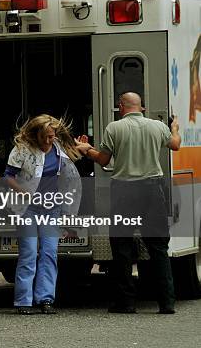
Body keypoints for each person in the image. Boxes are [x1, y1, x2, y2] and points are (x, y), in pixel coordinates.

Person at [75, 92, 180, 314]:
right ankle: (166, 302)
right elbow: (176, 145)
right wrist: (176, 128)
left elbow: (103, 160)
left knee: (122, 247)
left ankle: (125, 302)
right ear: (141, 107)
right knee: (159, 247)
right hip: (153, 190)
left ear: (121, 107)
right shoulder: (157, 126)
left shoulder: (114, 128)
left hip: (124, 191)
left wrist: (86, 150)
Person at [4, 114, 82, 315]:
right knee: (29, 252)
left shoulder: (59, 149)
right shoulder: (21, 150)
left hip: (51, 208)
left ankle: (45, 298)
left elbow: (71, 174)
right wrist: (25, 192)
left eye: (52, 136)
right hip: (27, 208)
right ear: (35, 135)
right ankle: (23, 300)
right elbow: (9, 178)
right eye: (45, 137)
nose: (49, 141)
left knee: (49, 253)